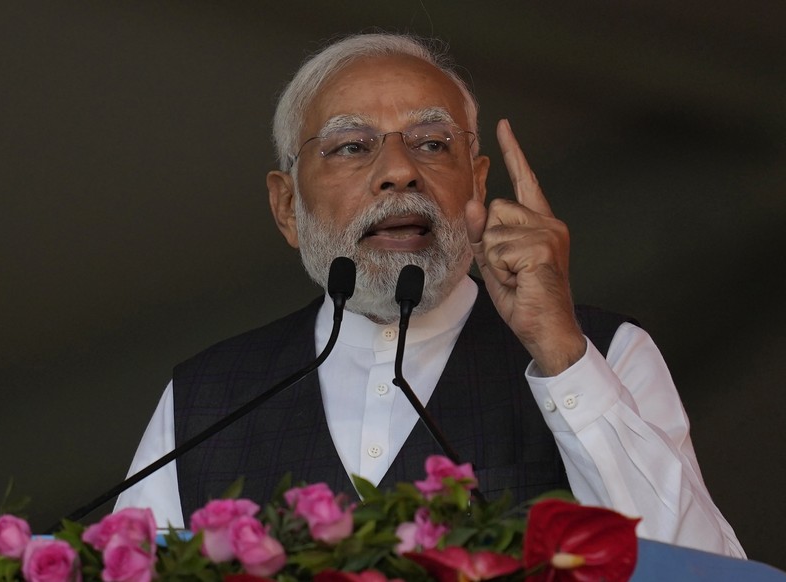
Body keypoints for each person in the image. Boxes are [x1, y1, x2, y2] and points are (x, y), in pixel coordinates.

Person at [115, 33, 744, 557]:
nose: (399, 171)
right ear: (287, 205)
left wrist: (560, 355)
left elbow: (700, 572)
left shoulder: (607, 353)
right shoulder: (208, 396)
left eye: (432, 143)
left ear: (476, 183)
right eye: (353, 146)